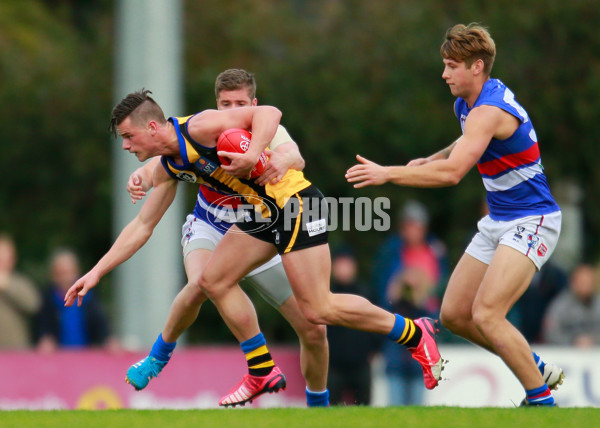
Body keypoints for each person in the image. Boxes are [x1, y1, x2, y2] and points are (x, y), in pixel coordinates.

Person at [64, 88, 445, 407]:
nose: (126, 146)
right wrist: (96, 272)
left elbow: (269, 111)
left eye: (129, 137)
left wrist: (252, 152)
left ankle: (415, 333)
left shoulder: (200, 126)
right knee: (212, 281)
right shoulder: (170, 162)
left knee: (318, 309)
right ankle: (261, 368)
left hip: (297, 203)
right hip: (263, 215)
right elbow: (143, 225)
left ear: (151, 127)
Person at [346, 23, 564, 406]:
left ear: (476, 66)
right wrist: (432, 157)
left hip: (533, 220)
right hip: (498, 220)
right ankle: (533, 366)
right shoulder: (468, 104)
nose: (444, 74)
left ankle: (541, 402)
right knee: (454, 315)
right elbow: (465, 143)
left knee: (488, 314)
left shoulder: (488, 111)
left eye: (451, 66)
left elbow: (453, 174)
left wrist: (388, 173)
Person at [124, 69, 330, 407]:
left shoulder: (267, 129)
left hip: (262, 227)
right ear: (217, 105)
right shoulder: (206, 128)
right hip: (211, 224)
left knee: (314, 326)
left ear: (253, 104)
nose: (230, 109)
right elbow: (163, 161)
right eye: (224, 104)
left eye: (239, 103)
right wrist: (141, 176)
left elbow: (295, 156)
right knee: (202, 283)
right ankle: (158, 357)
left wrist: (279, 158)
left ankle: (318, 407)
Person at [372, 200, 445, 405]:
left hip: (425, 323)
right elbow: (382, 289)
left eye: (417, 226)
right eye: (409, 225)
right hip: (397, 321)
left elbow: (440, 289)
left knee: (420, 377)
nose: (413, 231)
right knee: (394, 375)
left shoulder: (435, 252)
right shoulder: (391, 251)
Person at [35, 248, 118, 353]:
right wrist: (45, 339)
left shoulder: (90, 297)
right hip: (58, 357)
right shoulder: (47, 299)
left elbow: (101, 325)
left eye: (68, 273)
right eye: (61, 274)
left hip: (88, 355)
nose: (65, 278)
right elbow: (43, 327)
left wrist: (108, 339)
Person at [326, 246, 379, 405]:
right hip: (333, 365)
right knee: (331, 410)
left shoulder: (366, 292)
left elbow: (376, 322)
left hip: (361, 363)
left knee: (364, 408)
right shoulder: (326, 294)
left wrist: (375, 349)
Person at [542, 264, 600, 347]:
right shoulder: (560, 305)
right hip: (566, 354)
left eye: (588, 281)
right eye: (582, 281)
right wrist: (573, 341)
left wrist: (593, 340)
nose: (585, 285)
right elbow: (550, 332)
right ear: (573, 282)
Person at [0, 233, 41, 349]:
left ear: (12, 259)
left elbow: (33, 305)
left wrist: (6, 285)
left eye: (4, 256)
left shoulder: (21, 283)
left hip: (16, 350)